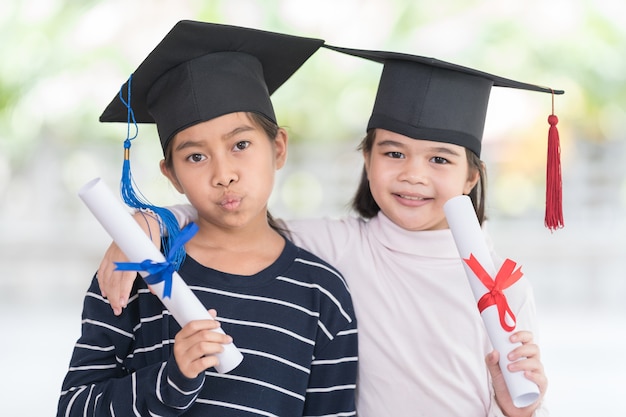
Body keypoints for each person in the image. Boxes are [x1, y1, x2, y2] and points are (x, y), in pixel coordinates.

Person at [96, 42, 563, 417]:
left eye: (440, 159)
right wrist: (145, 222)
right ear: (366, 159)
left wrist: (514, 408)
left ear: (471, 177)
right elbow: (232, 216)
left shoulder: (503, 285)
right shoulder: (336, 247)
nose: (413, 175)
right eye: (392, 152)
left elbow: (520, 397)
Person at [57, 21, 358, 417]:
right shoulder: (133, 270)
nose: (223, 174)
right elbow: (74, 407)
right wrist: (171, 380)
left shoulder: (321, 294)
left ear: (279, 148)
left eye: (241, 144)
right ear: (172, 174)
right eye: (195, 156)